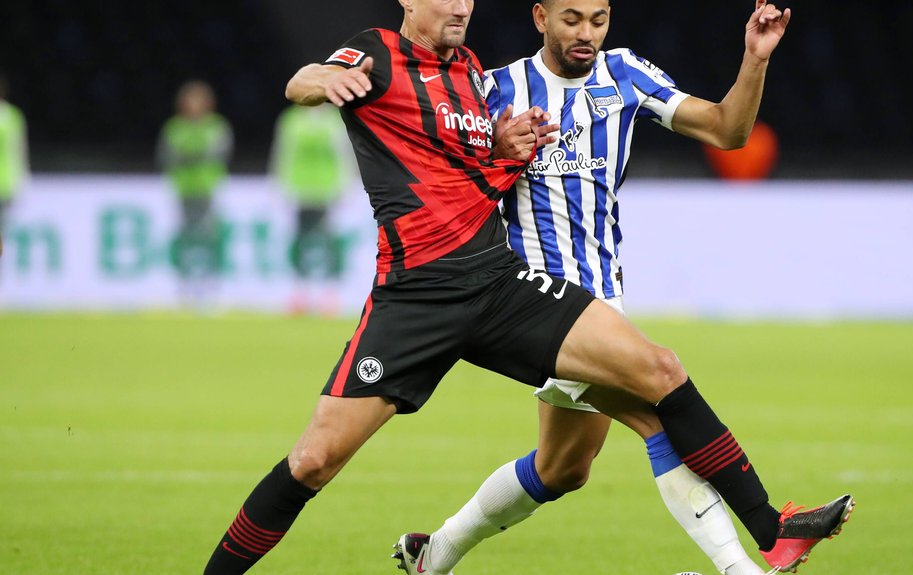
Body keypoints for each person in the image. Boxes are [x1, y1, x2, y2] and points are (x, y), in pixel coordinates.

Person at [201, 2, 849, 574]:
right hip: (419, 296)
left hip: (505, 285)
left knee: (627, 405)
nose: (460, 8)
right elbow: (302, 82)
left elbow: (475, 175)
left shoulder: (473, 77)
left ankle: (767, 531)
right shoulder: (395, 58)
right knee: (314, 460)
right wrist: (322, 79)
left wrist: (505, 150)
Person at [394, 2, 853, 575]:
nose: (586, 33)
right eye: (571, 19)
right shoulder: (496, 90)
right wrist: (494, 154)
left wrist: (754, 60)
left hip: (603, 303)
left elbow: (727, 131)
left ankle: (433, 554)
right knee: (659, 402)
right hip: (535, 306)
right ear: (540, 17)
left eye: (598, 18)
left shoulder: (626, 73)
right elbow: (443, 187)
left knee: (564, 467)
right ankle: (758, 550)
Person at [270, 103, 356, 315]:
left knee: (329, 241)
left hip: (327, 190)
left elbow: (344, 154)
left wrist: (347, 185)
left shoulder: (334, 120)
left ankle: (330, 292)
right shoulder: (291, 119)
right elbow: (282, 153)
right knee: (300, 241)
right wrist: (279, 184)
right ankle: (301, 291)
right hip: (300, 190)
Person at [157, 80, 233, 308]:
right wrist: (195, 155)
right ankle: (184, 283)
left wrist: (189, 155)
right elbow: (167, 156)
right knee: (186, 237)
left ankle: (211, 285)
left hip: (208, 188)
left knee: (209, 237)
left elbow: (218, 153)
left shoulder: (216, 126)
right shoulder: (175, 128)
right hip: (183, 189)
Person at [0, 72, 28, 260]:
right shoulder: (14, 116)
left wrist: (23, 177)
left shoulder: (14, 116)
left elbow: (19, 149)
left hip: (6, 183)